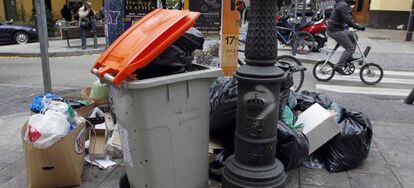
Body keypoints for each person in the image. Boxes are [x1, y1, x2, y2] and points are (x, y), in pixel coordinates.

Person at [327, 0, 365, 72]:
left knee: (353, 36)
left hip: (338, 29)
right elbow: (347, 20)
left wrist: (354, 25)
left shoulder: (342, 4)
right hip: (335, 30)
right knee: (350, 48)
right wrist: (358, 27)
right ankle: (339, 66)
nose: (351, 5)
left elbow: (347, 19)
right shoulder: (343, 5)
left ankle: (349, 57)